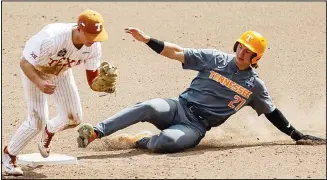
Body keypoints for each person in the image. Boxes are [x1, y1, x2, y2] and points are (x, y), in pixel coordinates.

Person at [77, 27, 325, 154]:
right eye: (241, 46)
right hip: (178, 106)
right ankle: (96, 132)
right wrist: (147, 40)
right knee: (148, 106)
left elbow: (271, 111)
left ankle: (140, 140)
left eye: (248, 50)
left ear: (255, 56)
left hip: (194, 126)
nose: (242, 51)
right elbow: (176, 52)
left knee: (165, 143)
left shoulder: (254, 86)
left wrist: (296, 135)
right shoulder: (214, 58)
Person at [2, 10, 111, 176]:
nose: (94, 40)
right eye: (90, 35)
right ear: (79, 29)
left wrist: (104, 86)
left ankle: (49, 130)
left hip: (61, 72)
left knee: (74, 117)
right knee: (36, 121)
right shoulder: (52, 38)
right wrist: (39, 82)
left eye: (97, 35)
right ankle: (9, 155)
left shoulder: (94, 46)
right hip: (35, 70)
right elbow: (24, 63)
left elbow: (92, 80)